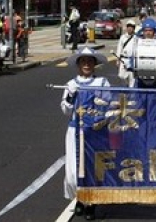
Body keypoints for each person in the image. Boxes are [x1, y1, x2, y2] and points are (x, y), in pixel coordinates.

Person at [60, 47, 110, 220]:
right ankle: (80, 199)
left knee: (91, 168)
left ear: (95, 64)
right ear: (78, 64)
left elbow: (109, 105)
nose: (87, 64)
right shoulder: (71, 83)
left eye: (90, 61)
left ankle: (92, 203)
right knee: (74, 171)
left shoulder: (103, 82)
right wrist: (70, 96)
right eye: (83, 61)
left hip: (94, 131)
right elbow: (66, 110)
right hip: (75, 130)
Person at [116, 19, 136, 86]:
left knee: (132, 78)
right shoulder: (122, 37)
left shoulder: (136, 38)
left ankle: (131, 93)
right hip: (123, 60)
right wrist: (118, 59)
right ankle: (124, 91)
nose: (130, 28)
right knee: (121, 76)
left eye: (131, 27)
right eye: (128, 26)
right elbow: (119, 48)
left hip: (131, 60)